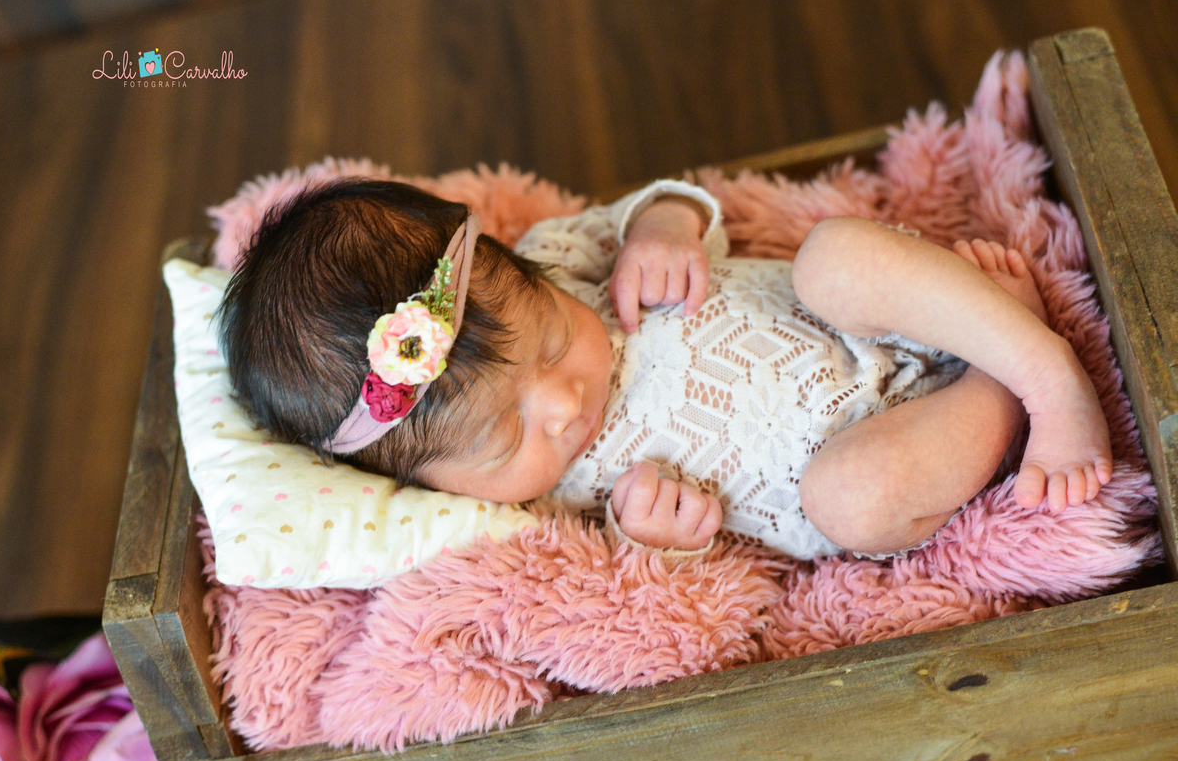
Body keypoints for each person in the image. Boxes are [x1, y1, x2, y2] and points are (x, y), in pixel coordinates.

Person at [218, 178, 1111, 559]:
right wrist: (658, 544)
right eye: (503, 436)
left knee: (832, 258)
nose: (564, 404)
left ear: (521, 268)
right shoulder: (531, 516)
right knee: (854, 502)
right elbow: (630, 612)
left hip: (884, 316)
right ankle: (1002, 381)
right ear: (426, 478)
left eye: (558, 340)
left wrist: (665, 229)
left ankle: (1042, 366)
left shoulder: (557, 253)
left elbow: (668, 199)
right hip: (902, 446)